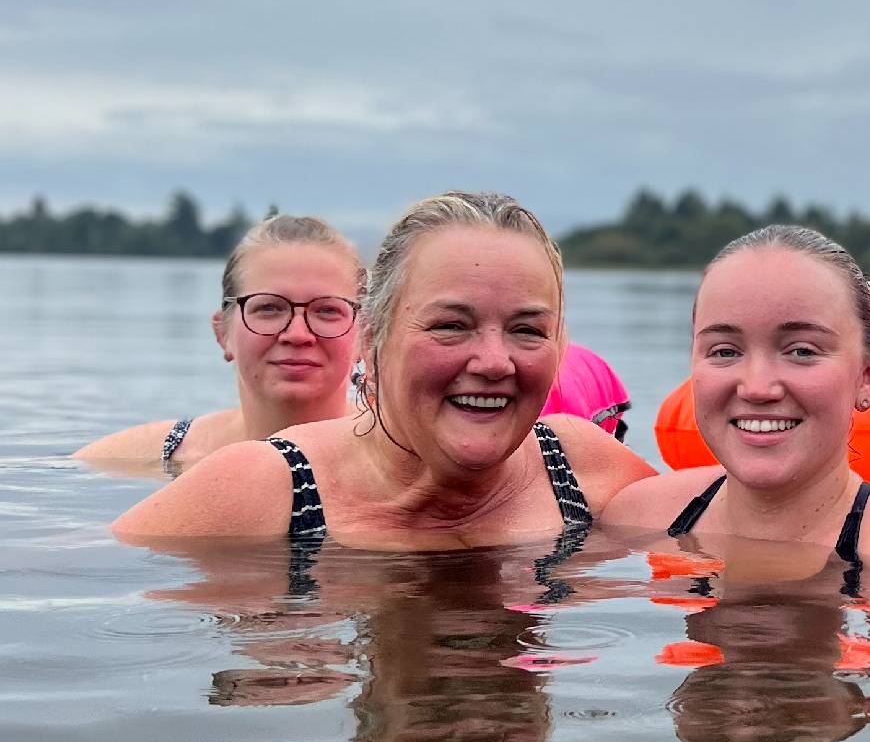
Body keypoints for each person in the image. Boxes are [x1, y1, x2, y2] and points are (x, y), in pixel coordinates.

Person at [113, 191, 654, 547]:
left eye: (528, 330)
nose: (494, 362)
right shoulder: (261, 488)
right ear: (370, 338)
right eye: (450, 324)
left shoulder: (585, 471)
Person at [600, 225, 870, 563]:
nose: (757, 387)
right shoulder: (635, 520)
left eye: (802, 351)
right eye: (725, 351)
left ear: (868, 378)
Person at [75, 215, 364, 472]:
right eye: (269, 308)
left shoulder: (405, 460)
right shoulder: (154, 457)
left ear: (367, 336)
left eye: (327, 310)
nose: (298, 334)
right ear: (223, 333)